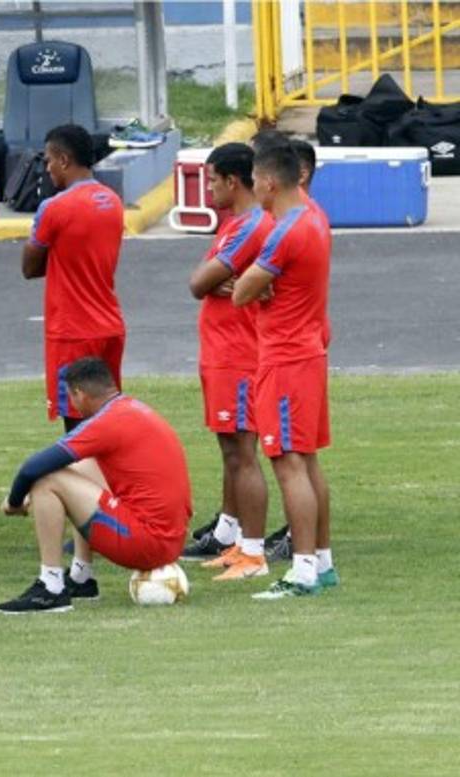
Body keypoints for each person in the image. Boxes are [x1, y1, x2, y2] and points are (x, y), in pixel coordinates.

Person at [0, 357, 192, 614]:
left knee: (47, 480)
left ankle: (50, 589)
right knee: (81, 467)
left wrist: (13, 502)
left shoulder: (106, 422)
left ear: (79, 393)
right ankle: (81, 578)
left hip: (148, 544)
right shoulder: (131, 407)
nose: (73, 405)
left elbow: (32, 468)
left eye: (71, 397)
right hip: (171, 538)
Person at [233, 144, 336, 600]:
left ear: (270, 182)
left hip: (285, 359)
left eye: (254, 180)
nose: (253, 188)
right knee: (308, 460)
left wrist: (256, 286)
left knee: (288, 464)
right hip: (308, 352)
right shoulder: (315, 217)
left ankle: (303, 569)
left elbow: (240, 292)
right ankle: (322, 562)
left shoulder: (284, 233)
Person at [181, 143, 273, 580]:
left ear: (232, 181)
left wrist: (216, 280)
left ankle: (252, 552)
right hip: (225, 351)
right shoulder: (237, 224)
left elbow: (200, 282)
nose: (209, 189)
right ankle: (234, 538)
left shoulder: (248, 227)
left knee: (241, 452)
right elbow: (208, 281)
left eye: (212, 180)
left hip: (237, 353)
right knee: (231, 451)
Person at [22, 124, 125, 433]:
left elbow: (29, 267)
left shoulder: (54, 208)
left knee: (78, 431)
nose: (47, 168)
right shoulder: (112, 201)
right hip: (109, 325)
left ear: (64, 160)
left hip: (72, 331)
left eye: (49, 160)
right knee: (106, 420)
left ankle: (86, 483)